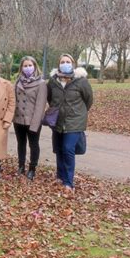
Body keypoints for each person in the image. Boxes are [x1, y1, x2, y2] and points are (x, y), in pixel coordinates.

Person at [47, 54, 93, 194]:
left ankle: (69, 182)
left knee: (68, 149)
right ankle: (60, 176)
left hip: (74, 121)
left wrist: (77, 112)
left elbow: (88, 100)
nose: (65, 64)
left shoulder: (81, 81)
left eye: (68, 62)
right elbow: (50, 99)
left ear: (73, 64)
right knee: (59, 149)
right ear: (58, 64)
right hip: (58, 121)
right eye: (62, 62)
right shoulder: (53, 82)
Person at [13, 56, 47, 180]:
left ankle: (32, 168)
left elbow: (40, 105)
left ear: (35, 66)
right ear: (21, 68)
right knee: (20, 144)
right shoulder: (18, 81)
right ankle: (21, 166)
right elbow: (14, 100)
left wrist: (35, 123)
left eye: (30, 65)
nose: (28, 68)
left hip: (33, 120)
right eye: (25, 66)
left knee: (33, 144)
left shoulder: (41, 83)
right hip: (18, 119)